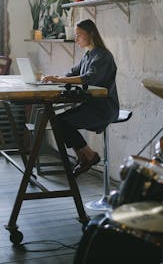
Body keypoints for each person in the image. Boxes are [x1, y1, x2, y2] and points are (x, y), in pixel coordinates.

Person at [42, 19, 119, 176]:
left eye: (79, 35)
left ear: (91, 34)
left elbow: (87, 78)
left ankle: (89, 156)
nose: (76, 39)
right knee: (57, 121)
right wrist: (53, 79)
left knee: (61, 123)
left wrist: (57, 80)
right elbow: (72, 73)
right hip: (91, 107)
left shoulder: (103, 56)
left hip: (104, 109)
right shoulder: (88, 55)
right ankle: (85, 157)